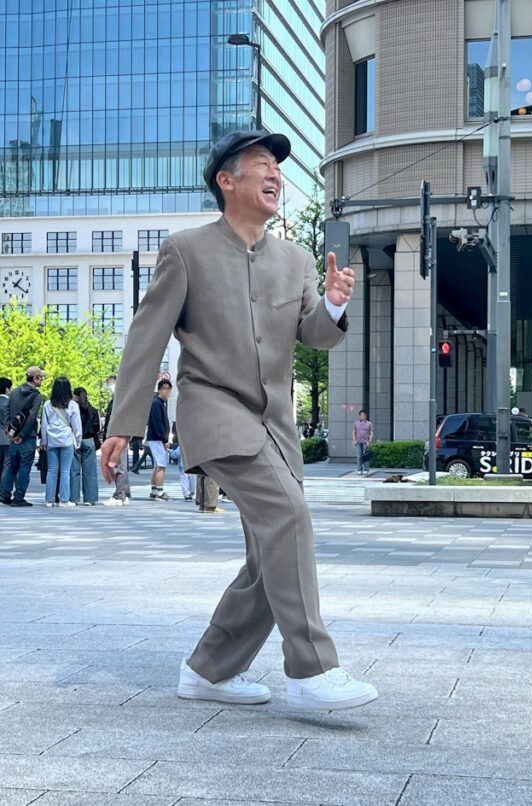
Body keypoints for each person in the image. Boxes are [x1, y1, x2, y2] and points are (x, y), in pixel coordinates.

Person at [101, 129, 377, 710]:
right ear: (226, 181)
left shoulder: (298, 260)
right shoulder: (186, 250)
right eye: (260, 165)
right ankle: (312, 670)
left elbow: (317, 337)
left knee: (270, 554)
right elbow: (146, 339)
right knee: (289, 516)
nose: (274, 174)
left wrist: (333, 301)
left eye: (277, 167)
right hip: (216, 411)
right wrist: (122, 424)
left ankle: (208, 669)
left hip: (277, 425)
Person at [0, 366, 45, 507]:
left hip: (13, 437)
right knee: (25, 467)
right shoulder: (37, 396)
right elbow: (32, 417)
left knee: (13, 466)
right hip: (27, 437)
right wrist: (23, 435)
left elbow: (7, 411)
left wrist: (9, 431)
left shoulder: (14, 392)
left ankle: (5, 494)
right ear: (35, 378)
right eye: (41, 377)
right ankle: (18, 497)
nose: (42, 380)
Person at [40, 376, 82, 508]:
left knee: (52, 470)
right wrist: (78, 440)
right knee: (65, 471)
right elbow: (77, 425)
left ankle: (49, 500)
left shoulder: (47, 404)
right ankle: (64, 499)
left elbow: (44, 425)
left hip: (52, 440)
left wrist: (44, 441)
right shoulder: (73, 405)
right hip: (66, 440)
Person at [101, 375, 131, 507]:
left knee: (119, 465)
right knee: (121, 465)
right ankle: (124, 493)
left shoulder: (121, 401)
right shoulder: (117, 401)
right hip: (119, 434)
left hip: (118, 434)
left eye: (112, 384)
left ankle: (120, 494)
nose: (110, 387)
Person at [70, 387, 101, 505]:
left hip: (75, 441)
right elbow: (97, 428)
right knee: (90, 472)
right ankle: (90, 498)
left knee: (74, 470)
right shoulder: (93, 410)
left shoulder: (73, 409)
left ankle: (73, 498)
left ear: (76, 396)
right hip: (89, 441)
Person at [145, 379, 173, 500]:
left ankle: (154, 490)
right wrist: (164, 439)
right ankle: (160, 492)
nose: (168, 392)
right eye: (165, 389)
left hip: (155, 438)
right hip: (157, 438)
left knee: (157, 466)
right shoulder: (157, 403)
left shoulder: (159, 403)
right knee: (161, 465)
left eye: (169, 389)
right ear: (160, 389)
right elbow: (157, 423)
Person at [353, 409, 374, 475]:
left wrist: (369, 441)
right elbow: (354, 432)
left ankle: (366, 469)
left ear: (365, 416)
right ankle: (359, 469)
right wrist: (354, 440)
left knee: (366, 456)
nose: (362, 416)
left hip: (365, 442)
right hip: (358, 442)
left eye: (363, 415)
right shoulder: (356, 423)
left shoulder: (369, 424)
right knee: (359, 456)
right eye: (361, 415)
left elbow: (371, 433)